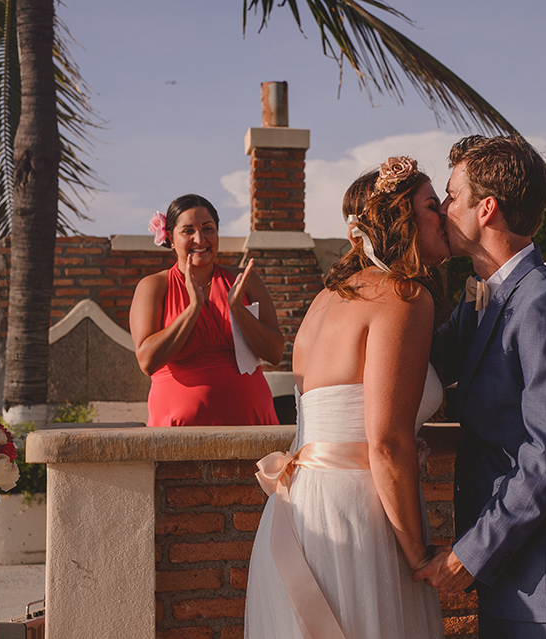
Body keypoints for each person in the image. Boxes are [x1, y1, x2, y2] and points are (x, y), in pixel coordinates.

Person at [414, 136, 546, 638]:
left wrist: (471, 553)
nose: (442, 208)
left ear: (486, 208)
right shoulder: (487, 296)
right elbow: (425, 359)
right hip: (510, 582)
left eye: (451, 196)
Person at [243, 157, 449, 639]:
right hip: (360, 517)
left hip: (298, 509)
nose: (443, 215)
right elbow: (386, 443)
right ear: (400, 218)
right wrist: (420, 555)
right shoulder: (404, 296)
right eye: (432, 206)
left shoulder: (325, 300)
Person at [129, 194, 284, 427]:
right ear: (170, 238)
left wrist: (238, 310)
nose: (200, 239)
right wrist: (193, 309)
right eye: (188, 231)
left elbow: (274, 354)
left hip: (252, 425)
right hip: (178, 431)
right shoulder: (154, 287)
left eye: (208, 229)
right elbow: (147, 361)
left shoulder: (246, 282)